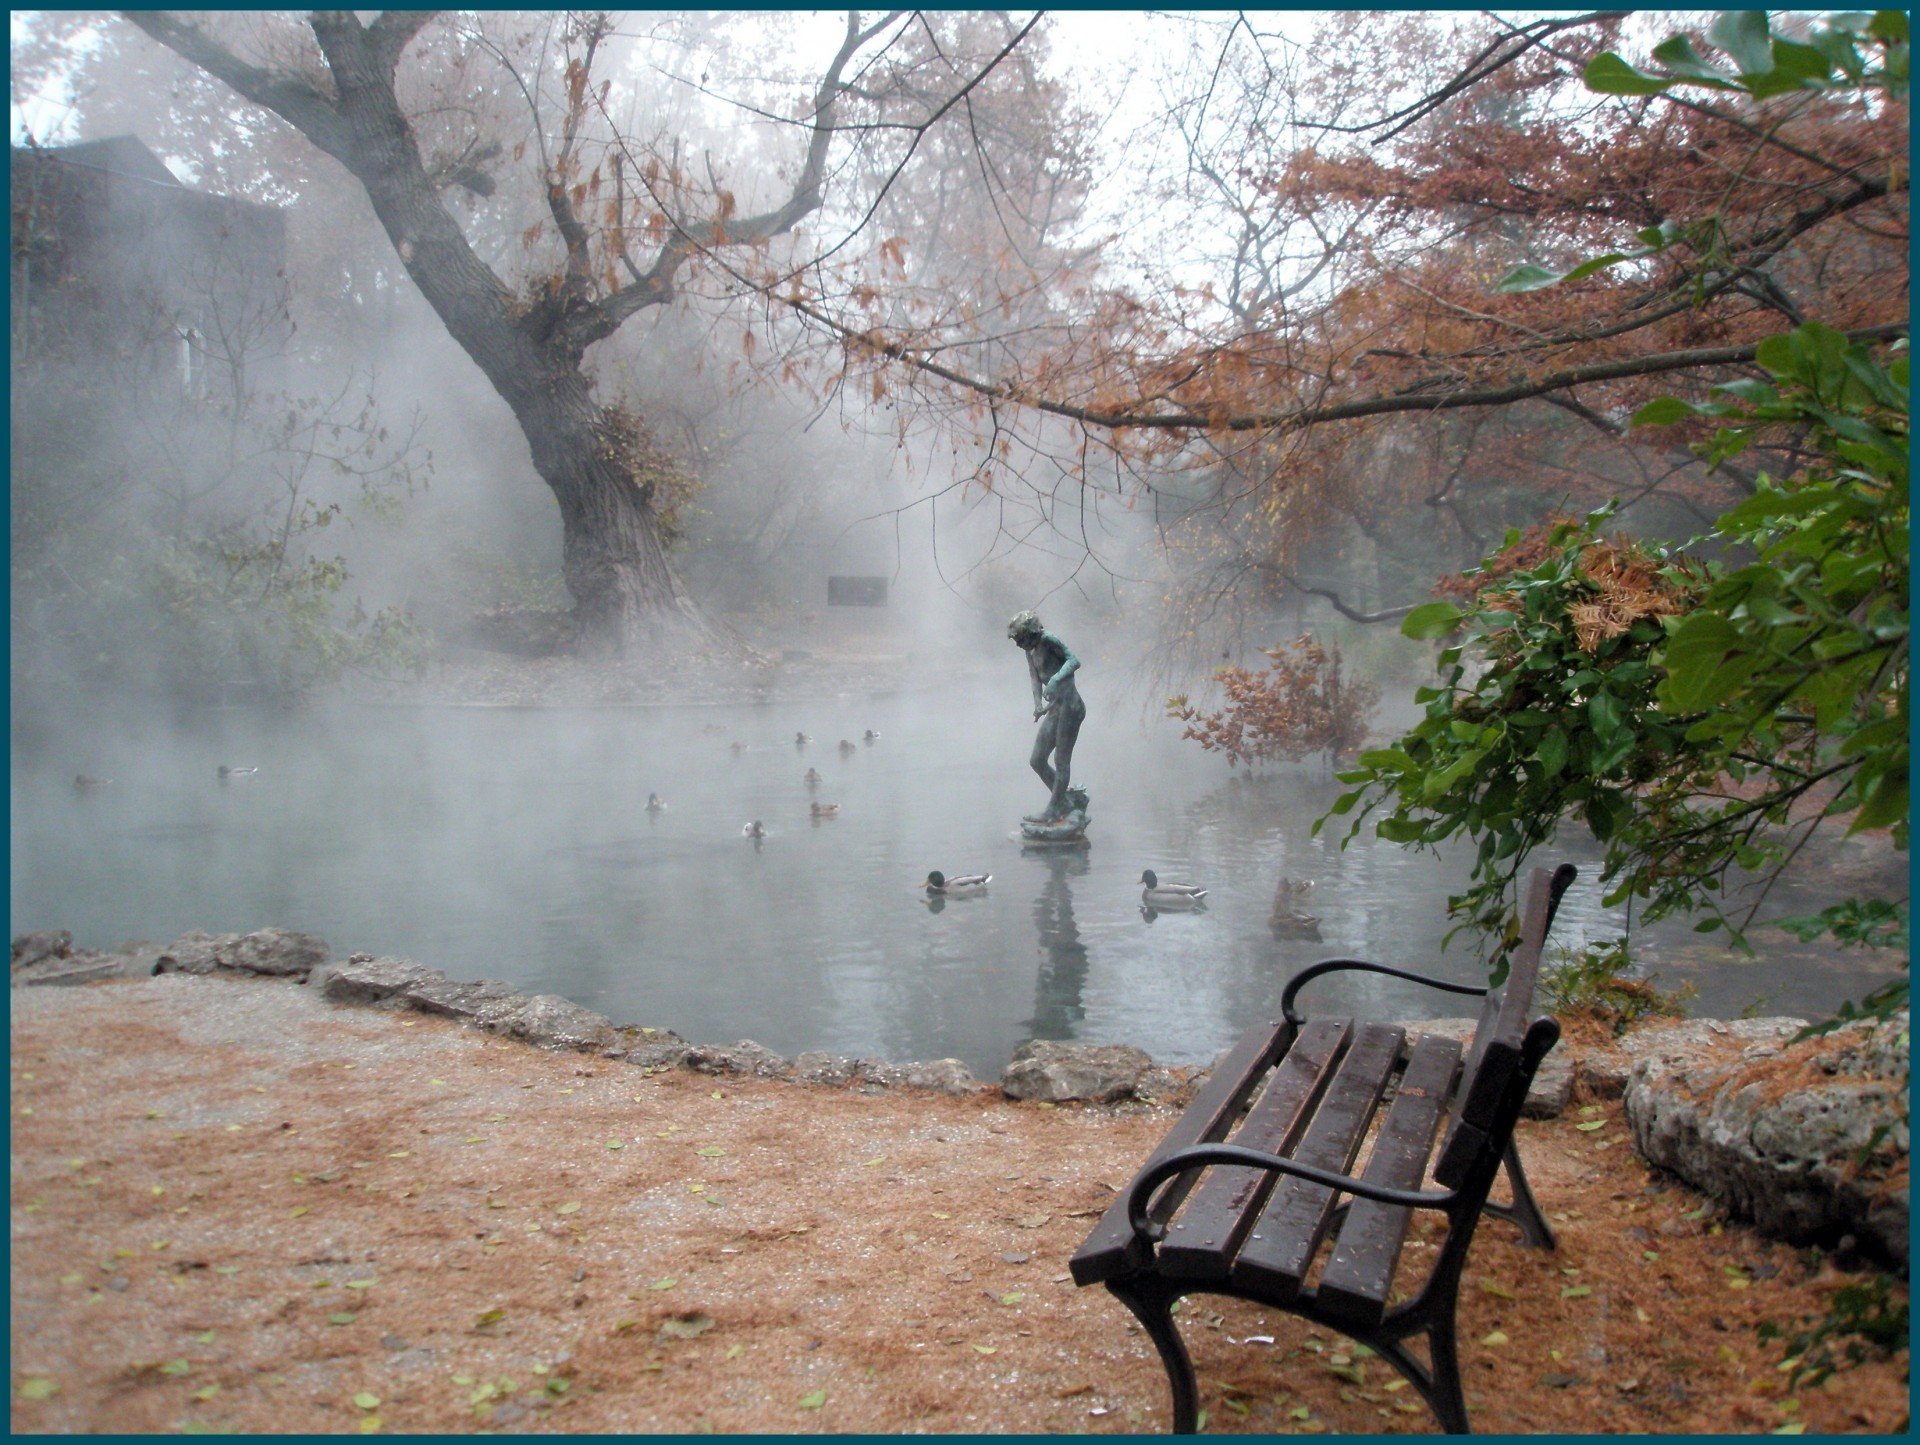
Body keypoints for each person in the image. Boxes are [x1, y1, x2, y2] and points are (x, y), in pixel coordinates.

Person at [1007, 610, 1086, 824]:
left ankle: (1054, 809)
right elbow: (1034, 677)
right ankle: (1063, 803)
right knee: (1037, 760)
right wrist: (1038, 704)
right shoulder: (1029, 651)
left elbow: (1074, 661)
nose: (1018, 644)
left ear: (1030, 633)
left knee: (1061, 760)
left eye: (1020, 639)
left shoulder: (1049, 639)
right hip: (1055, 707)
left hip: (1070, 706)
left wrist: (1055, 680)